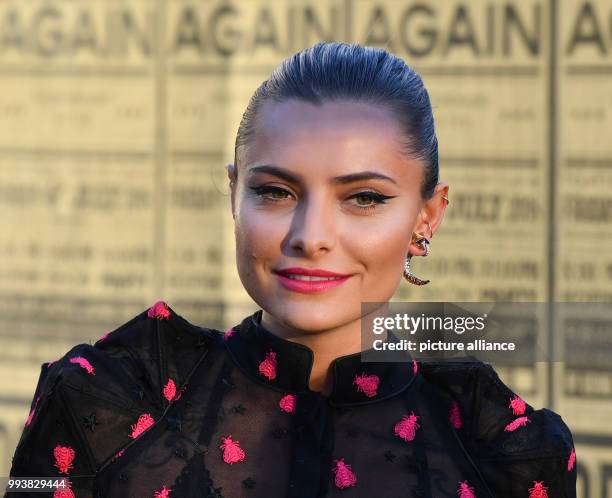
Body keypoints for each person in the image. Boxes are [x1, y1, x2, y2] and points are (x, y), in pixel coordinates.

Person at [6, 42, 575, 498]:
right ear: (234, 194)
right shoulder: (103, 401)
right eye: (276, 191)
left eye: (365, 199)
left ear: (427, 215)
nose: (310, 236)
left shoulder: (504, 451)